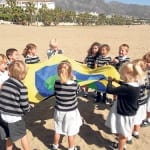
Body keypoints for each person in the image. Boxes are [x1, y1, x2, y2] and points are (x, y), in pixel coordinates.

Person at [105, 62, 142, 150]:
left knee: (122, 135)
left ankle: (120, 148)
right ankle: (123, 145)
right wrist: (117, 81)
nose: (121, 76)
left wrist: (109, 81)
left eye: (122, 75)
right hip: (130, 113)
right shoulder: (136, 85)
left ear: (127, 75)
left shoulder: (126, 88)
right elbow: (125, 84)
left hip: (124, 114)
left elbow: (110, 90)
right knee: (125, 131)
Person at [49, 60, 82, 150]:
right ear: (71, 72)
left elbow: (55, 93)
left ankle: (55, 146)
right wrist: (75, 80)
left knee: (58, 130)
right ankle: (71, 148)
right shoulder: (74, 84)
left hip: (59, 111)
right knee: (70, 132)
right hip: (71, 112)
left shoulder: (56, 83)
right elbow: (78, 92)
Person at [0, 60, 32, 150]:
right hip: (14, 117)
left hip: (3, 115)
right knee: (23, 135)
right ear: (23, 74)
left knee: (10, 135)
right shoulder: (22, 87)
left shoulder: (5, 83)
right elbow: (24, 105)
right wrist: (29, 108)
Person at [141, 52, 150, 127]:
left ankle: (148, 119)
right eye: (145, 62)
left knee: (148, 106)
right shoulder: (146, 70)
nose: (146, 64)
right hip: (147, 91)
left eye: (148, 62)